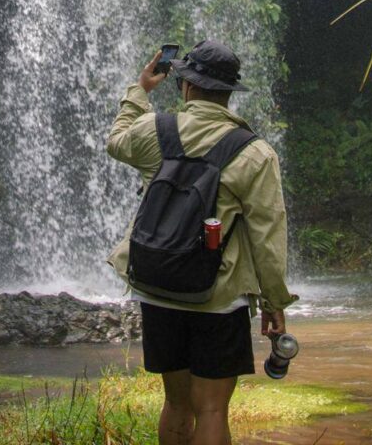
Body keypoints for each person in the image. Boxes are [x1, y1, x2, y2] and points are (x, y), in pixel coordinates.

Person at [106, 38, 298, 445]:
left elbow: (116, 140)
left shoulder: (154, 130)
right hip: (218, 296)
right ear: (229, 94)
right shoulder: (255, 153)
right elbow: (267, 237)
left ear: (187, 86)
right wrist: (273, 302)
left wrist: (140, 91)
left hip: (158, 289)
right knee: (211, 407)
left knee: (176, 404)